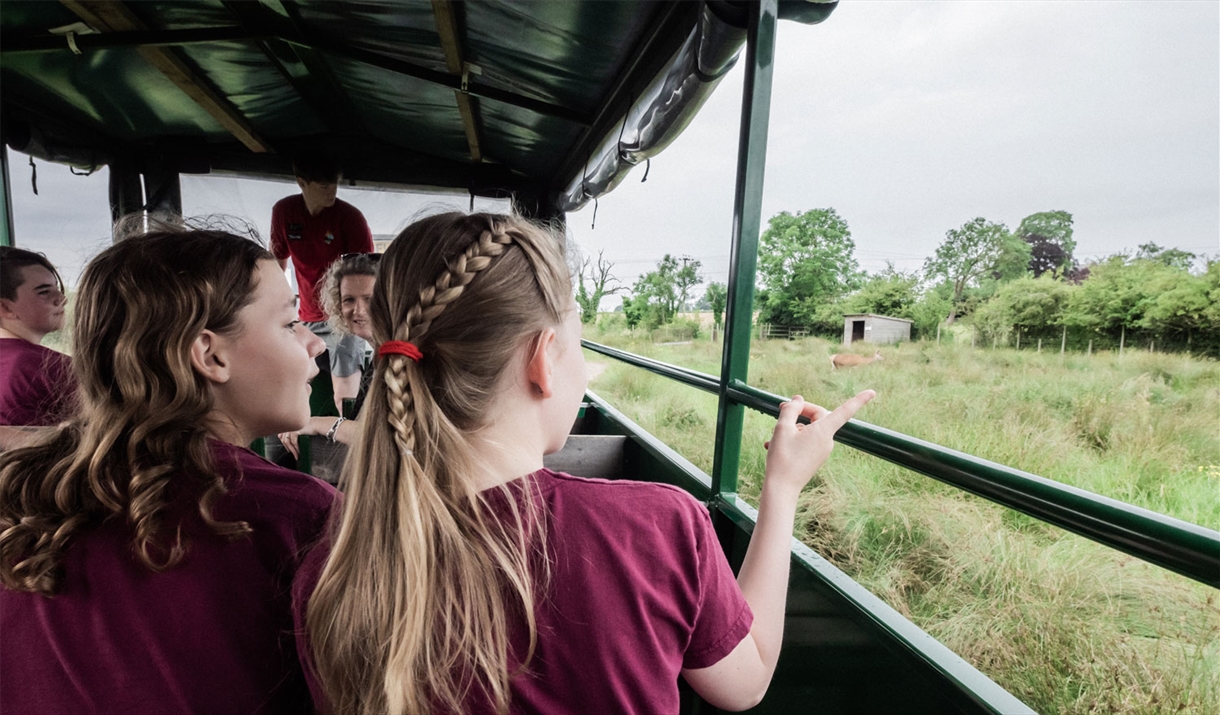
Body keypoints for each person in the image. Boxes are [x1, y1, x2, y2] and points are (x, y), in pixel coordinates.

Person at [294, 212, 875, 714]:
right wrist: (783, 489)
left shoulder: (332, 568)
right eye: (579, 337)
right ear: (544, 360)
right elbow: (745, 685)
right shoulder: (657, 526)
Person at [0, 223, 338, 714]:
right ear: (209, 354)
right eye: (289, 324)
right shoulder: (298, 515)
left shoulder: (27, 491)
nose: (316, 345)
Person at [270, 151, 374, 408]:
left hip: (342, 319)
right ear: (301, 183)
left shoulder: (350, 218)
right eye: (324, 186)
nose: (332, 192)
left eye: (335, 184)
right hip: (305, 317)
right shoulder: (284, 212)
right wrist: (280, 311)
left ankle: (346, 441)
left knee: (343, 396)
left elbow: (366, 274)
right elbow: (277, 264)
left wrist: (356, 314)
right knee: (291, 386)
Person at [279, 252, 379, 458]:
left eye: (368, 299)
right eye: (349, 300)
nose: (358, 310)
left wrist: (316, 423)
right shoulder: (380, 357)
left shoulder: (403, 358)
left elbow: (378, 437)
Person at [0, 247, 75, 432]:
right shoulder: (49, 366)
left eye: (57, 289)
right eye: (44, 292)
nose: (62, 299)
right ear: (5, 308)